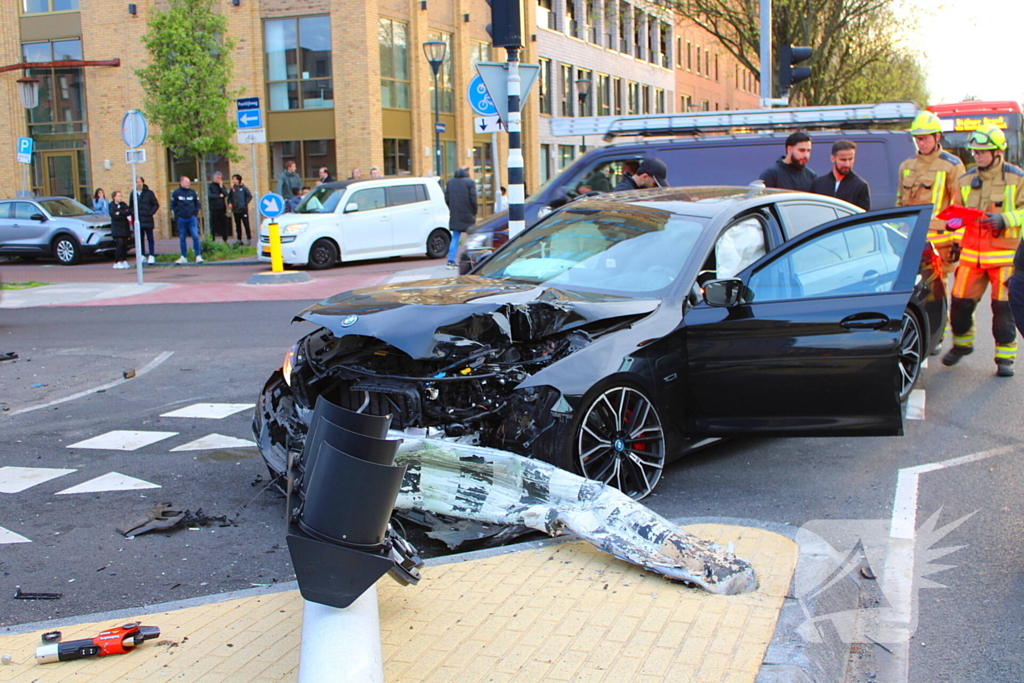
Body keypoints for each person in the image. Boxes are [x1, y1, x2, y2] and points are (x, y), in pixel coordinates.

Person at [943, 125, 1024, 377]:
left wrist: (1005, 219)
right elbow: (957, 211)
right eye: (975, 152)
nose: (977, 156)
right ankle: (962, 345)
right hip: (971, 257)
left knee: (1003, 310)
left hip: (1004, 258)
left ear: (998, 152)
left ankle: (1005, 359)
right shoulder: (966, 179)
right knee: (959, 305)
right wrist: (954, 231)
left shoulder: (1017, 178)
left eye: (983, 152)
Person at [896, 111, 967, 274]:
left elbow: (960, 206)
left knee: (937, 289)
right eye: (918, 139)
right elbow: (899, 203)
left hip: (940, 242)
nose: (921, 143)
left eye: (925, 138)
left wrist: (958, 240)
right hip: (911, 238)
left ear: (938, 137)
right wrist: (897, 233)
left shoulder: (952, 166)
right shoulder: (907, 166)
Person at [810, 140, 870, 210]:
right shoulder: (818, 184)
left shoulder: (860, 186)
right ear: (833, 159)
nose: (847, 164)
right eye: (843, 160)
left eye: (850, 159)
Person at [444, 167, 477, 268]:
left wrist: (452, 209)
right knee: (471, 237)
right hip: (468, 214)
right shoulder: (470, 182)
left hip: (455, 214)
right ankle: (471, 259)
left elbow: (447, 198)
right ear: (467, 172)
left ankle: (451, 260)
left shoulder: (450, 182)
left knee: (455, 237)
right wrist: (474, 211)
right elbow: (473, 199)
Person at [170, 176, 203, 264]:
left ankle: (198, 255)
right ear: (181, 183)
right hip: (181, 219)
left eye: (189, 182)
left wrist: (194, 214)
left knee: (195, 236)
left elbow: (197, 204)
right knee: (182, 237)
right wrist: (178, 216)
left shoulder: (192, 192)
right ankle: (184, 256)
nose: (188, 183)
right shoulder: (176, 193)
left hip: (191, 218)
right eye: (186, 182)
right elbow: (173, 205)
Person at [129, 176, 160, 264]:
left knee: (150, 238)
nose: (138, 184)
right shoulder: (133, 194)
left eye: (140, 182)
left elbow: (155, 204)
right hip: (138, 220)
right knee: (140, 239)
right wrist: (133, 214)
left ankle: (151, 255)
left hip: (148, 219)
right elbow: (131, 206)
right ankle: (142, 255)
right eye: (137, 182)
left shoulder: (149, 193)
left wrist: (150, 213)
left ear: (143, 182)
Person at [108, 191, 131, 270]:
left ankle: (124, 260)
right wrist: (122, 214)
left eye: (121, 196)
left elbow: (128, 212)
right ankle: (117, 262)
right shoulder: (111, 205)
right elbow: (114, 216)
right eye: (118, 196)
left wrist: (120, 213)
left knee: (125, 245)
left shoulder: (123, 204)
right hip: (117, 228)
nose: (120, 198)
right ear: (114, 197)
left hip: (124, 227)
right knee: (119, 245)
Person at [228, 174, 253, 245]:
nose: (233, 180)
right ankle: (239, 239)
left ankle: (249, 238)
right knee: (237, 225)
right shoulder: (232, 189)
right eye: (233, 179)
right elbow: (229, 198)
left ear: (238, 180)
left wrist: (244, 203)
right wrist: (230, 203)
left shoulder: (244, 188)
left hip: (243, 209)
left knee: (246, 224)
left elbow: (249, 196)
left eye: (235, 179)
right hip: (235, 210)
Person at [208, 172, 231, 244]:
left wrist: (221, 187)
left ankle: (225, 240)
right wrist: (219, 196)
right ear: (214, 178)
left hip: (222, 209)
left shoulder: (221, 186)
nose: (220, 180)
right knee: (213, 226)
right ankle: (212, 241)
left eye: (221, 178)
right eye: (218, 178)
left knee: (224, 225)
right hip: (213, 209)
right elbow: (210, 195)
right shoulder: (210, 186)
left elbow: (226, 194)